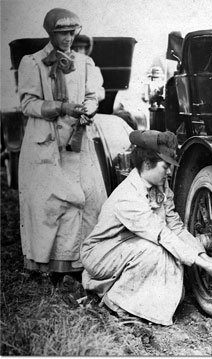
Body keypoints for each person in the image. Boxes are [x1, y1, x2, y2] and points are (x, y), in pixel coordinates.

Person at [80, 130, 212, 326]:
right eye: (165, 167)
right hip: (101, 253)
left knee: (170, 279)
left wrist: (203, 256)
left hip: (129, 246)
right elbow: (161, 234)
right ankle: (116, 302)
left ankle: (140, 301)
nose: (170, 173)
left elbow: (176, 227)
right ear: (147, 164)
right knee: (155, 251)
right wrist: (205, 264)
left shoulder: (161, 187)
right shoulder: (129, 196)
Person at [17, 8, 107, 283]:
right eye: (62, 33)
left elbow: (94, 94)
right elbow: (27, 103)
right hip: (47, 142)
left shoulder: (85, 63)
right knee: (49, 203)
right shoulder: (32, 63)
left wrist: (89, 108)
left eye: (72, 32)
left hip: (76, 141)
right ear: (50, 33)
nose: (68, 38)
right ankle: (45, 266)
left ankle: (77, 262)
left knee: (86, 198)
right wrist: (60, 107)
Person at [72, 34, 105, 102]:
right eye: (75, 48)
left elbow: (98, 93)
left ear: (86, 50)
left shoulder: (92, 66)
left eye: (81, 48)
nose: (78, 51)